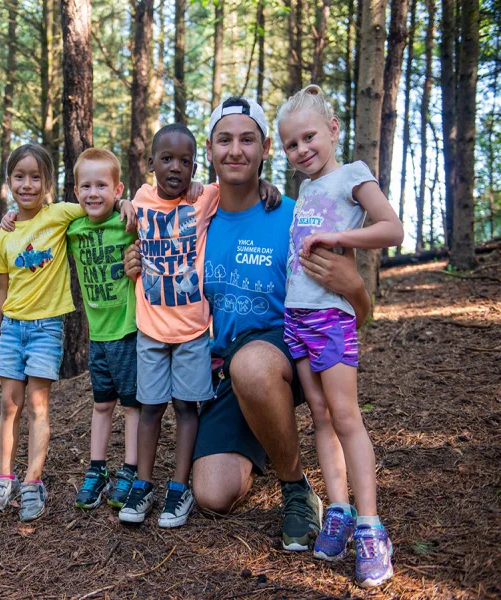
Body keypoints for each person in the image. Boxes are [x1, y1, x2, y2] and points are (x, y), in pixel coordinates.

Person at [124, 97, 370, 551]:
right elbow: (149, 228)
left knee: (252, 366)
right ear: (210, 153)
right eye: (224, 140)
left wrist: (354, 286)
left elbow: (357, 312)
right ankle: (261, 433)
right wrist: (137, 259)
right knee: (213, 495)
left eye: (247, 140)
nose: (235, 150)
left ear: (263, 151)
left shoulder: (297, 215)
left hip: (285, 353)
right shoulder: (193, 217)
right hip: (216, 365)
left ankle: (296, 488)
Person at [277, 85, 403, 588]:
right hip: (296, 319)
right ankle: (339, 510)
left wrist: (340, 239)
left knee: (347, 416)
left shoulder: (352, 175)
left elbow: (392, 230)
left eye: (309, 136)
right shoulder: (304, 192)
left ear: (332, 129)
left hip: (331, 318)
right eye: (291, 144)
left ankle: (372, 526)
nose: (302, 149)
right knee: (322, 416)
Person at [0, 143, 135, 522]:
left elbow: (97, 202)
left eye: (36, 177)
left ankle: (33, 481)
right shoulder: (3, 234)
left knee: (37, 406)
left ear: (49, 184)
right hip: (12, 327)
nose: (27, 185)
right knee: (8, 406)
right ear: (8, 182)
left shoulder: (60, 214)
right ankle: (5, 478)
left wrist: (127, 204)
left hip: (46, 328)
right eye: (19, 177)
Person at [117, 123, 216, 528]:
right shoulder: (139, 199)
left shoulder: (206, 197)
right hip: (151, 328)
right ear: (152, 162)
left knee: (186, 407)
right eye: (168, 159)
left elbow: (236, 187)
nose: (177, 168)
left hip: (193, 329)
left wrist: (265, 186)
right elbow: (108, 202)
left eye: (186, 161)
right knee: (150, 407)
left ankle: (179, 487)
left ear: (195, 165)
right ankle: (143, 484)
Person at [65, 148, 141, 510]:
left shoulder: (127, 223)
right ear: (76, 191)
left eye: (102, 186)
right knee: (101, 404)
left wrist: (129, 205)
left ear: (116, 189)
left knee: (131, 406)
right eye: (86, 186)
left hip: (126, 331)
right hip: (97, 336)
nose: (93, 193)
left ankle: (129, 468)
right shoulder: (73, 227)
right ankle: (97, 470)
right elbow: (39, 219)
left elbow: (155, 218)